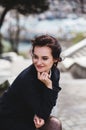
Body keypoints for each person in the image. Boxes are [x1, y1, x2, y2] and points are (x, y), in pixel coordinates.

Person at [0, 34, 62, 130]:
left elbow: (49, 105)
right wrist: (40, 115)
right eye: (35, 57)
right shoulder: (27, 79)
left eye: (44, 58)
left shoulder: (55, 73)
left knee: (55, 124)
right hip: (10, 119)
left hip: (29, 114)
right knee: (53, 125)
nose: (38, 62)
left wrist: (49, 85)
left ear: (55, 59)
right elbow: (43, 112)